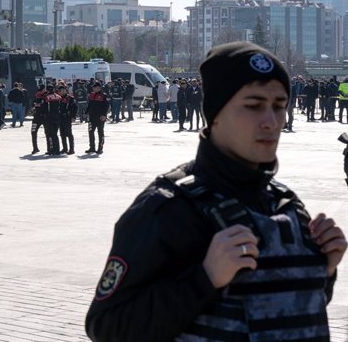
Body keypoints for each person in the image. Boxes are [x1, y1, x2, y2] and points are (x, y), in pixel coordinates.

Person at [85, 42, 346, 342]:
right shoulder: (168, 209)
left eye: (279, 106)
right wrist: (204, 279)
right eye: (253, 105)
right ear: (215, 113)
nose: (271, 122)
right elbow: (106, 327)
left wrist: (322, 271)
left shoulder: (286, 205)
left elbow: (282, 316)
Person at [86, 82, 109, 154]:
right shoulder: (92, 95)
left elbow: (106, 106)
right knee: (90, 132)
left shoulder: (104, 96)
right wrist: (86, 113)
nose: (93, 88)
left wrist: (104, 115)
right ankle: (92, 147)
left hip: (100, 117)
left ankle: (100, 148)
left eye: (95, 87)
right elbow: (89, 105)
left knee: (100, 132)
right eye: (93, 87)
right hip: (92, 117)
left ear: (99, 88)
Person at [43, 85, 62, 155]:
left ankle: (53, 149)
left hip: (50, 118)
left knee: (50, 134)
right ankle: (57, 149)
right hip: (58, 117)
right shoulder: (59, 96)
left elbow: (46, 108)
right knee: (55, 134)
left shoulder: (47, 97)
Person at [58, 84, 77, 154]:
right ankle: (65, 148)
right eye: (60, 90)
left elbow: (74, 107)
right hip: (60, 117)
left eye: (63, 90)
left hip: (67, 117)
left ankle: (71, 149)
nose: (61, 92)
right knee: (62, 134)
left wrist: (73, 116)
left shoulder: (70, 98)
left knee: (69, 133)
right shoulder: (58, 98)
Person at [30, 84, 47, 154]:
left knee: (48, 133)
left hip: (44, 117)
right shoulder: (36, 95)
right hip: (36, 117)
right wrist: (36, 105)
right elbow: (32, 104)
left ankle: (50, 148)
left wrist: (38, 105)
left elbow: (45, 105)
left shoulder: (46, 96)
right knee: (33, 132)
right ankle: (35, 148)